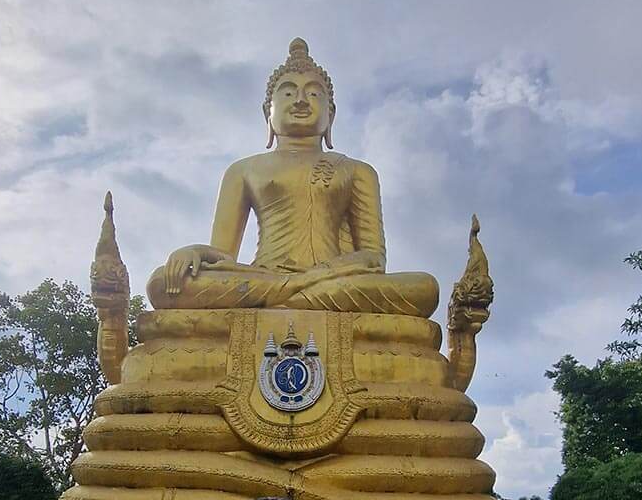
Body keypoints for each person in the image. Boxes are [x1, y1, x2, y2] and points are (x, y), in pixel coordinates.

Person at [146, 39, 439, 318]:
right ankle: (291, 297)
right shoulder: (243, 170)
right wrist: (193, 252)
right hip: (271, 279)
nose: (300, 101)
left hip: (330, 279)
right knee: (163, 283)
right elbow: (224, 256)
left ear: (331, 114)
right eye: (287, 93)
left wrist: (315, 276)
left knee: (424, 289)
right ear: (267, 113)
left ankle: (277, 301)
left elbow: (373, 260)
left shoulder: (357, 171)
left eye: (313, 94)